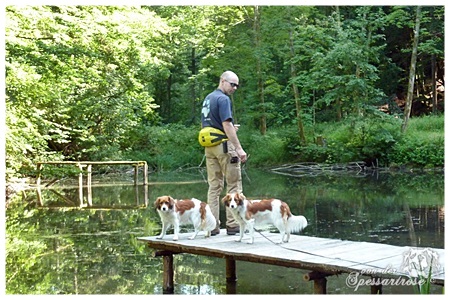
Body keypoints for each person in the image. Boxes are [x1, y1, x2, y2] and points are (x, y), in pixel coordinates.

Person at [200, 70, 248, 235]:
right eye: (232, 84)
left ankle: (212, 226)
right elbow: (226, 125)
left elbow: (211, 123)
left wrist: (226, 130)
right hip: (224, 146)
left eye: (237, 86)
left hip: (209, 146)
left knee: (214, 186)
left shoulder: (208, 98)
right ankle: (233, 224)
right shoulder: (223, 99)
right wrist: (239, 149)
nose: (234, 88)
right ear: (222, 81)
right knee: (234, 185)